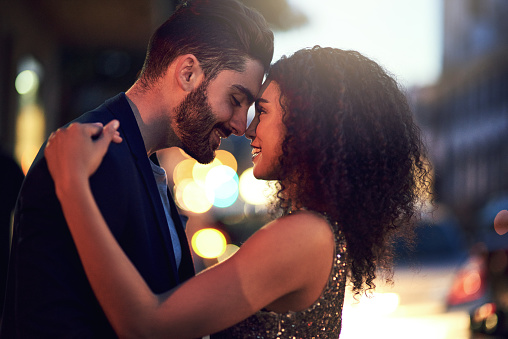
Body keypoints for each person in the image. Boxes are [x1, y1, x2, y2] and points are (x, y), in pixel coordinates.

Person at [43, 46, 432, 338]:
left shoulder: (304, 236)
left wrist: (71, 181)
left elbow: (146, 324)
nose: (247, 129)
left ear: (308, 124)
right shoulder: (315, 231)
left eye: (261, 111)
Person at [0, 0, 273, 337]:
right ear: (188, 73)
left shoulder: (143, 162)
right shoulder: (94, 156)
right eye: (235, 99)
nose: (239, 125)